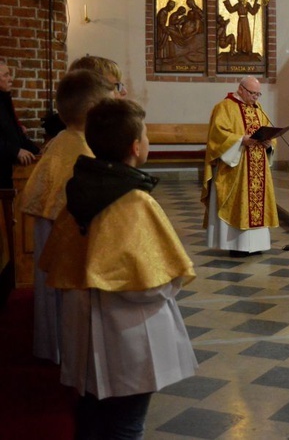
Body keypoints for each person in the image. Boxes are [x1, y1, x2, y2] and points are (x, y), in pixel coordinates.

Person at [39, 98, 197, 439]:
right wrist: (169, 285)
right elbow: (151, 284)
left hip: (82, 330)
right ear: (136, 147)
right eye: (147, 135)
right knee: (126, 425)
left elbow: (65, 264)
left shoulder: (80, 188)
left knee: (91, 418)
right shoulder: (135, 201)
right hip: (128, 337)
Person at [19, 69, 114, 363]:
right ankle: (67, 350)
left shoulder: (64, 140)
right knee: (65, 296)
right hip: (67, 230)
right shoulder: (81, 150)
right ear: (91, 111)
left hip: (55, 226)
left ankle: (55, 346)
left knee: (53, 294)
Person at [202, 76, 278, 257]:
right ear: (241, 89)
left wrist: (269, 144)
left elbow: (268, 130)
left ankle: (257, 244)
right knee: (238, 202)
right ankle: (237, 245)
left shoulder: (258, 109)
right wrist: (241, 140)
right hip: (236, 168)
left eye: (258, 94)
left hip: (258, 164)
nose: (256, 98)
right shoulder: (224, 107)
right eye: (253, 93)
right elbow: (217, 135)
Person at [0, 60, 40, 188]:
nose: (10, 79)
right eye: (5, 75)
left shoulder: (4, 100)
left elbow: (16, 134)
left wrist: (39, 152)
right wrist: (15, 151)